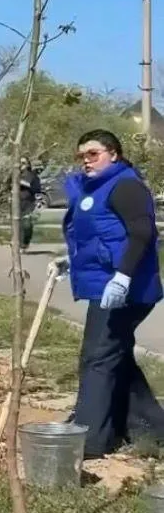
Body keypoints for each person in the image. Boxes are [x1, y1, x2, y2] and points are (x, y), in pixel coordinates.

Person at [62, 128, 164, 458]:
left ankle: (90, 440)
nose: (86, 161)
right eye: (81, 156)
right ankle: (150, 428)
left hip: (127, 290)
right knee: (114, 355)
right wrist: (70, 260)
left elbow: (142, 233)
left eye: (93, 154)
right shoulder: (96, 187)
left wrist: (122, 277)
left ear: (114, 154)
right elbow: (96, 237)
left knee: (97, 357)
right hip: (107, 286)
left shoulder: (125, 186)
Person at [18, 158, 42, 249]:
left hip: (28, 203)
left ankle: (25, 242)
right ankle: (19, 244)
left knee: (27, 224)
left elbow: (37, 189)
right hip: (16, 203)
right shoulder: (15, 176)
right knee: (18, 225)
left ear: (27, 164)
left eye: (23, 163)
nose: (21, 164)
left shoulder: (33, 176)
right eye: (19, 162)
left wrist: (25, 184)